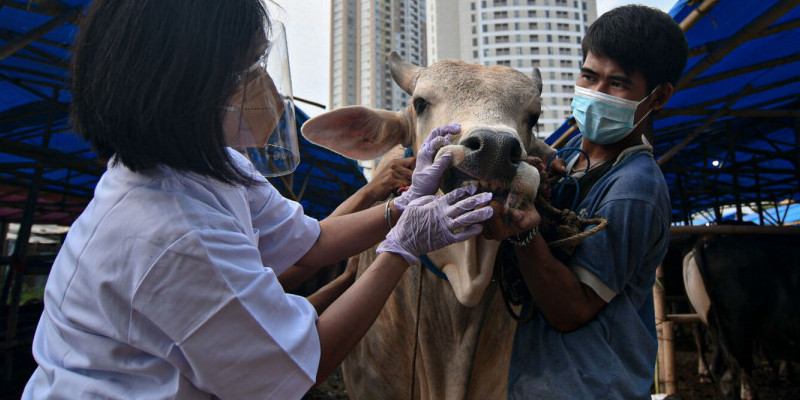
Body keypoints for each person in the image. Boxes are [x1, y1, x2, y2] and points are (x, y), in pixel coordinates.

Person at [22, 1, 494, 399]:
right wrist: (401, 250)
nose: (260, 84)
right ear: (181, 86)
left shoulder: (209, 168)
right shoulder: (172, 234)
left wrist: (402, 205)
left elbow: (310, 243)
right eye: (242, 70)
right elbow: (301, 364)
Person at [483, 5, 688, 399]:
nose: (595, 94)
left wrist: (524, 229)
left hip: (588, 386)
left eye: (617, 84)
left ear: (658, 96)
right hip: (531, 377)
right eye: (589, 76)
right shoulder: (569, 157)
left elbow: (572, 311)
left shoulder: (635, 189)